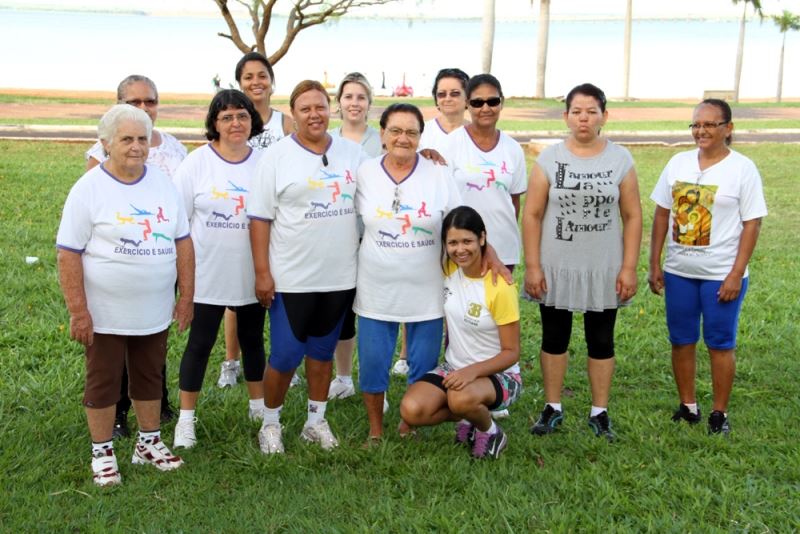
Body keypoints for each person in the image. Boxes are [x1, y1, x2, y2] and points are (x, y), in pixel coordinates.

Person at [57, 104, 193, 486]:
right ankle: (102, 451)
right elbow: (68, 252)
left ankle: (148, 443)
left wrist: (185, 298)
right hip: (105, 311)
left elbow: (183, 242)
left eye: (142, 139)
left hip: (153, 307)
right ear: (105, 144)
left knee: (149, 374)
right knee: (104, 379)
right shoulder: (88, 188)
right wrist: (78, 311)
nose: (136, 147)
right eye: (126, 139)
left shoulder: (163, 184)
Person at [248, 80, 365, 454]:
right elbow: (260, 219)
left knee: (321, 353)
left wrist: (425, 153)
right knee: (284, 355)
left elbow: (386, 179)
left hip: (340, 275)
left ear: (329, 109)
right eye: (305, 108)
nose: (314, 114)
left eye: (320, 107)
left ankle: (315, 421)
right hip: (292, 277)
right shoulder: (277, 158)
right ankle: (270, 423)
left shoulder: (352, 154)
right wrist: (263, 272)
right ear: (293, 114)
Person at [522, 83, 642, 441]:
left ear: (604, 115)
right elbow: (532, 214)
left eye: (591, 111)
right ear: (566, 116)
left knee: (601, 340)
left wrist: (629, 267)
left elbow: (633, 216)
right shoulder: (550, 159)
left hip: (603, 267)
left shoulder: (620, 159)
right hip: (556, 265)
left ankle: (599, 411)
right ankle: (552, 407)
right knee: (554, 337)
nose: (584, 118)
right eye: (577, 111)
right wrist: (533, 266)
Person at [648, 98, 767, 436]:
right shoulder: (678, 163)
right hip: (679, 271)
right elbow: (661, 214)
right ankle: (688, 406)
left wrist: (735, 273)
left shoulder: (743, 168)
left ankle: (719, 412)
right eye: (696, 124)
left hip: (720, 274)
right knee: (681, 339)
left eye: (710, 124)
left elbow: (752, 223)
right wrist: (654, 263)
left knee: (719, 342)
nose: (701, 131)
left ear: (728, 128)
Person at [354, 103, 464, 443]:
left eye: (412, 132)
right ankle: (374, 429)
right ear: (382, 134)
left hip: (426, 288)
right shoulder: (364, 171)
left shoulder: (437, 172)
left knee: (423, 361)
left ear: (421, 136)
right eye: (396, 131)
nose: (403, 138)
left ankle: (408, 423)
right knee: (373, 362)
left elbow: (459, 222)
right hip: (376, 287)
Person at [85, 75, 187, 437]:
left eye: (150, 101)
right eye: (134, 102)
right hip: (121, 258)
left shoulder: (174, 149)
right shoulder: (102, 152)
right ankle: (116, 412)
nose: (144, 108)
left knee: (153, 336)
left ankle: (155, 402)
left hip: (161, 253)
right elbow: (96, 206)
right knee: (117, 342)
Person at [171, 90, 267, 449]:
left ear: (251, 120)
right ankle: (186, 421)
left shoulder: (264, 162)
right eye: (226, 117)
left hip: (251, 272)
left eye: (241, 116)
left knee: (253, 342)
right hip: (207, 273)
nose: (235, 123)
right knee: (199, 344)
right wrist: (182, 280)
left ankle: (259, 411)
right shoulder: (196, 164)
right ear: (214, 123)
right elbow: (179, 225)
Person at [400, 206, 521, 459]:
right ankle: (469, 418)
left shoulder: (500, 285)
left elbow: (512, 353)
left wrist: (472, 371)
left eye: (467, 241)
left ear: (482, 238)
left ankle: (490, 431)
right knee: (412, 410)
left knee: (459, 397)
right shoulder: (448, 270)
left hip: (501, 376)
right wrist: (461, 371)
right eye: (453, 243)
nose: (460, 249)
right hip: (454, 368)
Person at [445, 74, 527, 418]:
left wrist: (494, 245)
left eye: (492, 101)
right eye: (477, 102)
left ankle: (491, 391)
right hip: (462, 252)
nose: (485, 108)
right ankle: (460, 384)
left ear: (501, 103)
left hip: (502, 252)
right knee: (461, 319)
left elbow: (514, 202)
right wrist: (476, 246)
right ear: (467, 105)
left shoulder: (512, 148)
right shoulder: (452, 145)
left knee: (495, 324)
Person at [217, 52, 295, 389]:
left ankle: (282, 362)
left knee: (279, 291)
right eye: (248, 77)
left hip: (278, 220)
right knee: (236, 297)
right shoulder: (231, 119)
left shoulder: (286, 123)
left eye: (262, 75)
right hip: (238, 220)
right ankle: (231, 362)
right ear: (239, 82)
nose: (256, 82)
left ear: (272, 81)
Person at [327, 72, 382, 401]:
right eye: (348, 96)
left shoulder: (382, 138)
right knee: (342, 311)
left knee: (375, 311)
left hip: (376, 236)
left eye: (361, 97)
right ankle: (343, 376)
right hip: (338, 238)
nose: (354, 103)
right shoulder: (328, 139)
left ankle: (377, 378)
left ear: (369, 104)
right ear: (339, 103)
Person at [418, 68, 470, 153]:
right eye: (441, 94)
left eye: (455, 93)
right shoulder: (421, 132)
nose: (448, 98)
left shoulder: (479, 134)